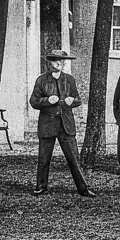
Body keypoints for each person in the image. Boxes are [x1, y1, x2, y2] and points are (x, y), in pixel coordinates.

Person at [30, 48, 93, 196]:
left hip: (66, 125)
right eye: (56, 60)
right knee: (44, 158)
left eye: (61, 61)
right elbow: (33, 101)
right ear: (50, 62)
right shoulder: (41, 80)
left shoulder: (69, 79)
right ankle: (41, 187)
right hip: (48, 124)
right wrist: (47, 100)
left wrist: (72, 101)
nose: (59, 63)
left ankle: (83, 189)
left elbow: (78, 99)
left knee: (74, 158)